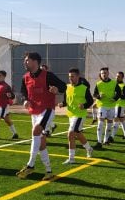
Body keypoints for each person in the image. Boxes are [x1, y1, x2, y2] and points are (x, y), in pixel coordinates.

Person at [16, 52, 67, 180]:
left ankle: (30, 165)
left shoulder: (48, 75)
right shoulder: (25, 77)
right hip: (33, 111)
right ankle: (49, 171)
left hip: (47, 110)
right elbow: (23, 91)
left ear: (35, 62)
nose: (24, 62)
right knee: (41, 142)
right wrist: (25, 99)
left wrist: (56, 89)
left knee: (36, 131)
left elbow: (63, 86)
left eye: (27, 60)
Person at [59, 68, 94, 164]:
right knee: (78, 133)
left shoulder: (84, 88)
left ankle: (71, 158)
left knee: (70, 133)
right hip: (71, 115)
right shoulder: (67, 87)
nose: (70, 78)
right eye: (69, 77)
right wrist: (62, 104)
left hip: (80, 114)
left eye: (73, 76)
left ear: (78, 77)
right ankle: (89, 148)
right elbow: (66, 101)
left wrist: (84, 106)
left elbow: (91, 101)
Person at [93, 67, 121, 149]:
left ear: (108, 73)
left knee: (109, 124)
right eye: (102, 73)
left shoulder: (114, 83)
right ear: (100, 75)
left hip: (111, 106)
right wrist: (99, 96)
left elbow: (119, 92)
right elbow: (94, 94)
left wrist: (115, 98)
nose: (104, 74)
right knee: (100, 123)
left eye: (105, 73)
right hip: (102, 105)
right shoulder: (98, 84)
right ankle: (99, 141)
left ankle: (106, 140)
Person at [111, 72, 125, 140]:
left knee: (116, 119)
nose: (117, 77)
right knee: (122, 120)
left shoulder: (123, 86)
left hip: (119, 105)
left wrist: (119, 95)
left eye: (119, 76)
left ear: (122, 78)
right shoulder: (114, 85)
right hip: (115, 105)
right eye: (116, 76)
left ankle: (112, 136)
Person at [41, 64, 58, 136]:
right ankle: (52, 126)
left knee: (45, 118)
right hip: (42, 103)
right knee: (42, 117)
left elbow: (55, 90)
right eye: (41, 69)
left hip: (49, 104)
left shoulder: (50, 79)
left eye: (43, 69)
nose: (42, 71)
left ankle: (47, 131)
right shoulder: (39, 79)